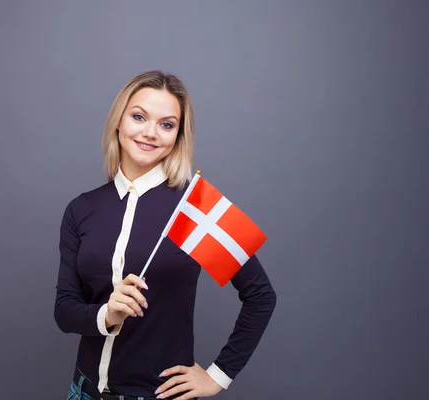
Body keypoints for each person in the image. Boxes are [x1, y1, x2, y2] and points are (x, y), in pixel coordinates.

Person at [54, 70, 277, 400]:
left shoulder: (194, 207)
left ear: (178, 136)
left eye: (166, 124)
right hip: (83, 391)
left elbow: (261, 296)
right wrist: (107, 313)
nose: (150, 133)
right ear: (119, 121)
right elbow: (65, 310)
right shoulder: (82, 209)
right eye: (139, 116)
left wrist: (218, 375)